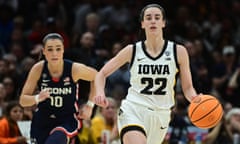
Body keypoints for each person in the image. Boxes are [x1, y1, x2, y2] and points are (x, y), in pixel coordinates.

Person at [94, 4, 201, 144]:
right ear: (142, 24)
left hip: (161, 114)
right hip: (133, 109)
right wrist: (100, 92)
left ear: (163, 23)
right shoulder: (132, 50)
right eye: (148, 18)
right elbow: (101, 73)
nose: (153, 21)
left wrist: (194, 98)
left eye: (157, 18)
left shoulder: (178, 51)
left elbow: (187, 88)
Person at [19, 33, 97, 144]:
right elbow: (23, 100)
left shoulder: (74, 69)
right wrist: (37, 98)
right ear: (44, 51)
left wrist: (90, 105)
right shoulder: (38, 69)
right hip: (42, 120)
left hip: (66, 120)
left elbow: (97, 77)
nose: (54, 53)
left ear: (63, 50)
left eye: (58, 49)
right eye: (50, 49)